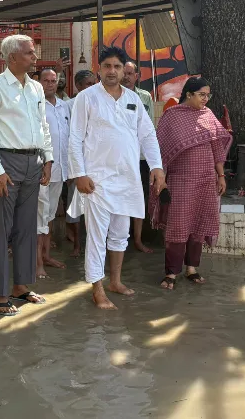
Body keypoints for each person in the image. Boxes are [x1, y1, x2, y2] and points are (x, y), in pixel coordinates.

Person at [68, 46, 166, 310]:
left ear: (125, 71)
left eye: (117, 67)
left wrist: (156, 166)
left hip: (127, 179)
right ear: (99, 69)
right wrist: (79, 173)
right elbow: (75, 138)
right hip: (96, 181)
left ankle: (115, 281)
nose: (112, 71)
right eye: (107, 66)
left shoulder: (133, 99)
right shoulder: (87, 98)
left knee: (120, 235)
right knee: (97, 238)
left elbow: (147, 135)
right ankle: (97, 289)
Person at [0, 34, 54, 316]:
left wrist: (48, 158)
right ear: (11, 58)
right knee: (0, 229)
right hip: (5, 163)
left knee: (26, 227)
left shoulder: (35, 88)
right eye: (29, 53)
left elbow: (43, 126)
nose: (35, 58)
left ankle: (21, 286)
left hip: (33, 162)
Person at [151, 77, 232, 290]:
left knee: (199, 223)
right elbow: (160, 149)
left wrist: (221, 175)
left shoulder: (208, 114)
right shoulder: (172, 116)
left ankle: (192, 268)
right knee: (178, 225)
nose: (206, 99)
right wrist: (162, 180)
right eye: (202, 95)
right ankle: (171, 272)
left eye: (208, 95)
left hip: (206, 179)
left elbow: (217, 148)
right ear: (188, 94)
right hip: (181, 179)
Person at [35, 68, 69, 278]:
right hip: (41, 170)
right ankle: (37, 263)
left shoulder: (64, 106)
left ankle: (46, 256)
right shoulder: (35, 105)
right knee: (39, 218)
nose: (50, 84)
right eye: (46, 80)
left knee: (49, 216)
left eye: (53, 80)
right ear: (38, 82)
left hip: (60, 170)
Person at [63, 69, 100, 257]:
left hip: (98, 163)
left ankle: (97, 247)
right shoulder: (68, 105)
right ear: (78, 86)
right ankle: (77, 244)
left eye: (94, 83)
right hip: (78, 165)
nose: (92, 87)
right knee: (76, 208)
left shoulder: (102, 102)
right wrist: (72, 170)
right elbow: (68, 138)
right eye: (88, 84)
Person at [123, 60, 157, 254]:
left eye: (130, 73)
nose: (126, 76)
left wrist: (154, 163)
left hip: (140, 158)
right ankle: (118, 239)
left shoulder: (145, 97)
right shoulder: (114, 96)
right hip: (120, 156)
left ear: (137, 76)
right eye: (124, 73)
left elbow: (149, 128)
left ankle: (137, 239)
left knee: (138, 198)